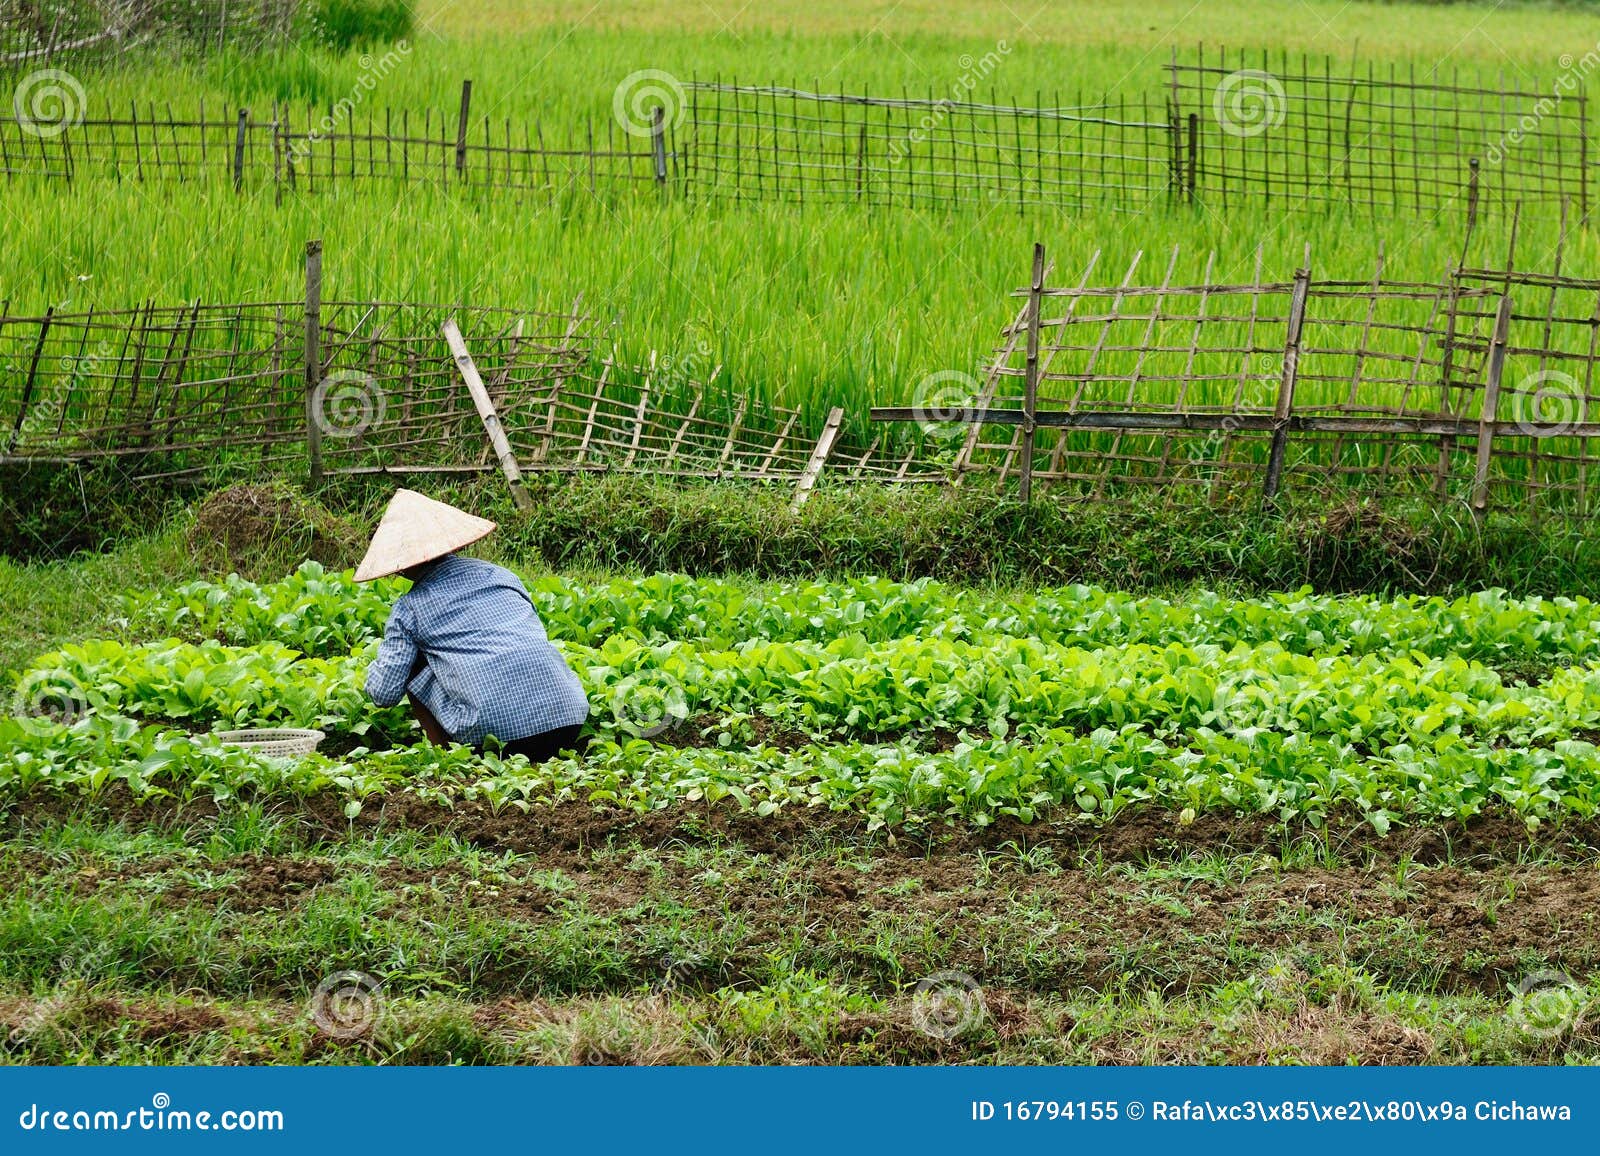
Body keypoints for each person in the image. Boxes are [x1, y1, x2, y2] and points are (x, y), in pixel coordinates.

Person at [354, 488, 589, 762]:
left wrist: (371, 669)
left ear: (399, 564)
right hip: (568, 721)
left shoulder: (409, 609)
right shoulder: (502, 576)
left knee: (413, 662)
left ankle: (448, 760)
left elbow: (384, 693)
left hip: (495, 739)